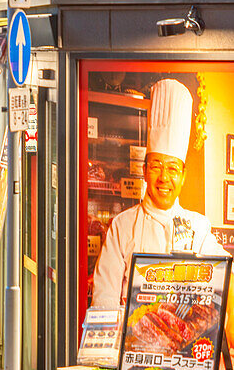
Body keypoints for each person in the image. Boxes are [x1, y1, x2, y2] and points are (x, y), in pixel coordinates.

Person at [93, 79, 227, 307]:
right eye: (156, 166)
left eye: (173, 168)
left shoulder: (199, 227)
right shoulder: (122, 226)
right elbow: (103, 300)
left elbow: (224, 276)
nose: (164, 177)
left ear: (183, 176)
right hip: (131, 341)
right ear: (144, 171)